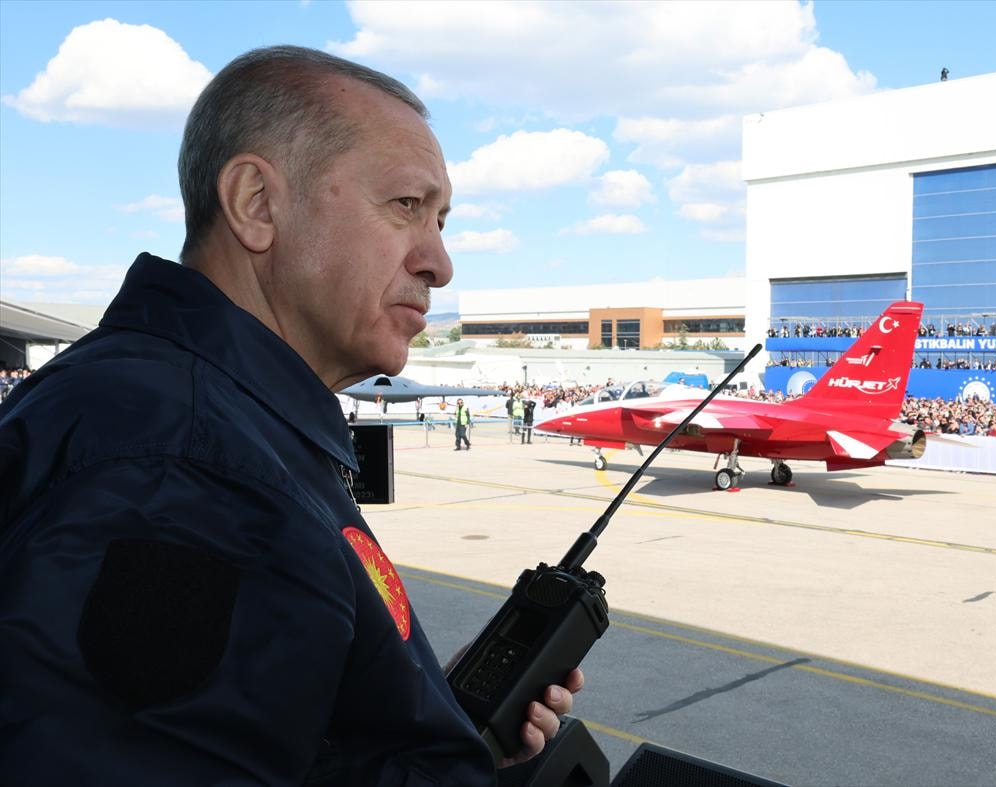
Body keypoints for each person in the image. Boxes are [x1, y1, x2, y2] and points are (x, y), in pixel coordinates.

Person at [0, 46, 581, 785]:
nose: (440, 262)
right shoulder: (187, 470)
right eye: (407, 205)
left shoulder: (210, 421)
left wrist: (422, 713)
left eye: (441, 220)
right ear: (257, 204)